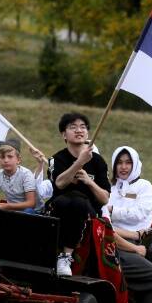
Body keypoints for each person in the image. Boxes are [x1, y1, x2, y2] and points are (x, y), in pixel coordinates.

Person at [104, 146, 152, 303]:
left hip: (132, 239)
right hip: (110, 238)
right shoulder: (107, 186)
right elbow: (102, 214)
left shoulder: (144, 186)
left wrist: (112, 210)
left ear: (135, 164)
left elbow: (140, 213)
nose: (123, 167)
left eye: (128, 162)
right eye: (119, 162)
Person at [48, 113, 111, 276]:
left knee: (79, 202)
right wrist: (79, 163)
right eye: (72, 127)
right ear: (64, 134)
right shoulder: (57, 158)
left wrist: (89, 182)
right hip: (59, 208)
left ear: (88, 133)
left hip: (87, 212)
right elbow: (59, 183)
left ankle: (66, 257)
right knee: (67, 200)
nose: (79, 130)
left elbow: (104, 198)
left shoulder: (98, 161)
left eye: (83, 127)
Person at [0, 139, 37, 212]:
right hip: (10, 207)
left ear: (18, 160)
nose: (6, 160)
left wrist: (8, 206)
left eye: (10, 156)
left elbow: (31, 203)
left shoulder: (26, 174)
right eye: (2, 157)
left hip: (30, 210)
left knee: (28, 211)